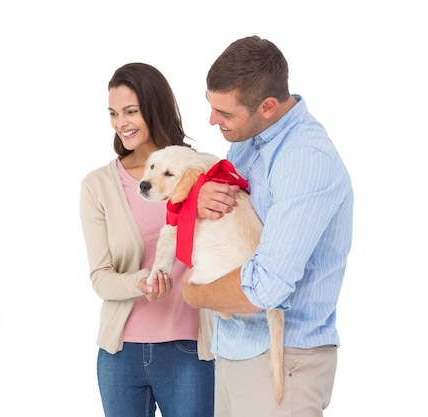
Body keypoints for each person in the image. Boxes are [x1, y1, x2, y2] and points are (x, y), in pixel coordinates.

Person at [182, 36, 354, 417]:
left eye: (225, 113)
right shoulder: (246, 143)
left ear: (267, 106)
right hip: (235, 351)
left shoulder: (304, 160)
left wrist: (193, 294)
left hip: (283, 358)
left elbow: (266, 287)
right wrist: (201, 198)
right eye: (211, 107)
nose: (212, 121)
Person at [79, 62, 215, 417]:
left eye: (130, 111)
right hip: (119, 354)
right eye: (113, 113)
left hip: (189, 348)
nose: (120, 122)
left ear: (154, 107)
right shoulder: (98, 185)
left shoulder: (201, 170)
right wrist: (142, 282)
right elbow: (100, 277)